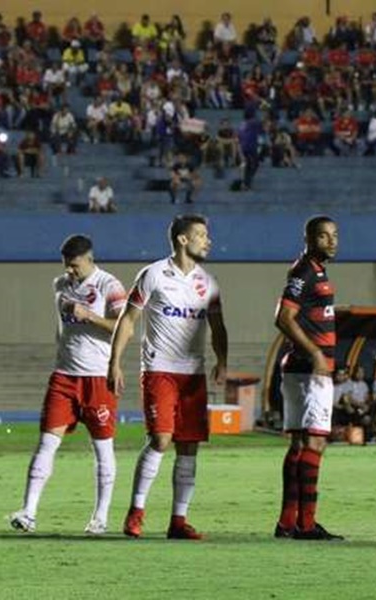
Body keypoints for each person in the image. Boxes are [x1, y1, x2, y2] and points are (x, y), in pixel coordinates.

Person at [108, 214, 228, 540]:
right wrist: (114, 363)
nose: (208, 241)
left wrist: (222, 361)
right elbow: (128, 320)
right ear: (182, 240)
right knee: (161, 439)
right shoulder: (152, 275)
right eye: (202, 235)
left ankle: (178, 520)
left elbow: (218, 327)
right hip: (160, 370)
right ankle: (136, 511)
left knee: (189, 447)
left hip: (193, 375)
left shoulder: (209, 283)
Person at [11, 235, 126, 534]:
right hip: (63, 376)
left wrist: (89, 315)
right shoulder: (60, 285)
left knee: (102, 448)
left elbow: (123, 326)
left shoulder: (109, 286)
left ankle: (100, 518)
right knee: (47, 442)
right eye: (66, 267)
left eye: (74, 266)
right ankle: (29, 512)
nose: (70, 272)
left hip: (97, 378)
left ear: (89, 259)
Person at [274, 215, 344, 541]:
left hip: (304, 370)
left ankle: (290, 522)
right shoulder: (304, 272)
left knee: (302, 442)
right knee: (315, 442)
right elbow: (283, 318)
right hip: (308, 371)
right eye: (323, 236)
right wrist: (316, 354)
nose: (331, 241)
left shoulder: (315, 271)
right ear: (309, 239)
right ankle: (305, 524)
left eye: (334, 235)